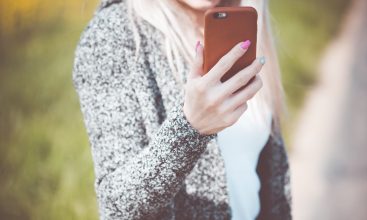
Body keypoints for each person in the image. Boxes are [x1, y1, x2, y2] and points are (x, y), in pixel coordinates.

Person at [72, 0, 291, 219]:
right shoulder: (112, 36)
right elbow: (116, 207)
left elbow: (272, 180)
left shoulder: (246, 19)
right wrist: (190, 127)